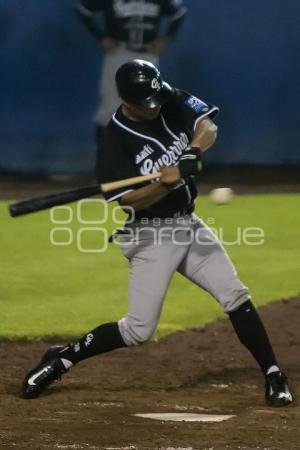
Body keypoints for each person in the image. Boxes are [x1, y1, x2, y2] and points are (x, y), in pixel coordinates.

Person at [22, 60, 293, 407]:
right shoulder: (115, 140)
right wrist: (165, 185)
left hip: (189, 225)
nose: (155, 108)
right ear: (127, 102)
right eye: (146, 105)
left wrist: (192, 153)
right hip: (151, 234)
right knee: (139, 329)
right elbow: (128, 202)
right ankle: (61, 359)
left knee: (235, 294)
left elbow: (208, 127)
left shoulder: (167, 97)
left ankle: (273, 373)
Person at [75, 0, 187, 171]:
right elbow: (83, 8)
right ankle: (104, 164)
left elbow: (178, 13)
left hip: (147, 54)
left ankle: (147, 163)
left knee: (150, 107)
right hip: (119, 51)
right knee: (109, 107)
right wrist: (101, 36)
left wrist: (166, 38)